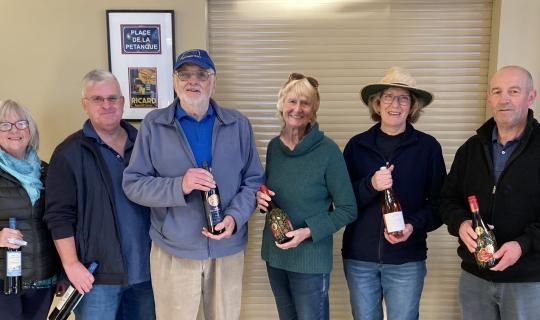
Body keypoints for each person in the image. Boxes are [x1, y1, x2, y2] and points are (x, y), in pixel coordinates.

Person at [122, 49, 264, 320]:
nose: (193, 81)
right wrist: (180, 186)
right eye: (184, 74)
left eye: (201, 74)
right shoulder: (154, 124)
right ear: (175, 81)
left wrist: (235, 217)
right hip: (174, 250)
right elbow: (134, 184)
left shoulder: (238, 124)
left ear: (213, 81)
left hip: (226, 250)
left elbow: (254, 180)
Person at [43, 70, 155, 319]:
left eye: (113, 98)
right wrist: (71, 265)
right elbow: (59, 216)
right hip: (96, 278)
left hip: (146, 273)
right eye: (97, 99)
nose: (107, 105)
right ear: (85, 105)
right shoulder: (68, 153)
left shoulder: (143, 145)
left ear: (123, 102)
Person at [341, 67, 446, 320]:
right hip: (360, 260)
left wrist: (411, 225)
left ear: (412, 106)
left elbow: (441, 205)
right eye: (388, 96)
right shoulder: (357, 146)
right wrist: (370, 185)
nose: (394, 104)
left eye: (403, 98)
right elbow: (342, 202)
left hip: (406, 261)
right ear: (377, 104)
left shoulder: (427, 147)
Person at [440, 65, 540, 319]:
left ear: (531, 97)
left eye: (513, 91)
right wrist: (460, 222)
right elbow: (447, 199)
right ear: (489, 98)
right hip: (474, 278)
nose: (504, 98)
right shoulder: (471, 148)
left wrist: (523, 244)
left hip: (527, 281)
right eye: (497, 91)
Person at [256, 73, 357, 320]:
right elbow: (273, 196)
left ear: (313, 111)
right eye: (292, 101)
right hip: (276, 255)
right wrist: (260, 201)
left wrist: (307, 231)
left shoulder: (328, 151)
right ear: (281, 106)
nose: (297, 109)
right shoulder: (273, 148)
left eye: (305, 103)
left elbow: (348, 208)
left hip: (310, 260)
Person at [0, 99, 60, 320]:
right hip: (3, 283)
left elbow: (59, 223)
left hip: (43, 280)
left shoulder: (47, 170)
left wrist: (60, 274)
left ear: (30, 129)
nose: (14, 130)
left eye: (21, 124)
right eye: (5, 125)